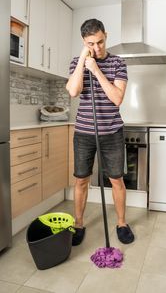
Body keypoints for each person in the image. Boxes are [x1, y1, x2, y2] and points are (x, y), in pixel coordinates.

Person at [66, 18, 134, 246]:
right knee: (81, 181)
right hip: (84, 133)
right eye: (90, 43)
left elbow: (117, 98)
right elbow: (74, 91)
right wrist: (83, 61)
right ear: (83, 43)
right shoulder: (78, 61)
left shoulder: (118, 63)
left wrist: (96, 71)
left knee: (116, 180)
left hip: (112, 132)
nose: (97, 48)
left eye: (100, 42)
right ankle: (78, 224)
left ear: (106, 35)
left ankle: (122, 223)